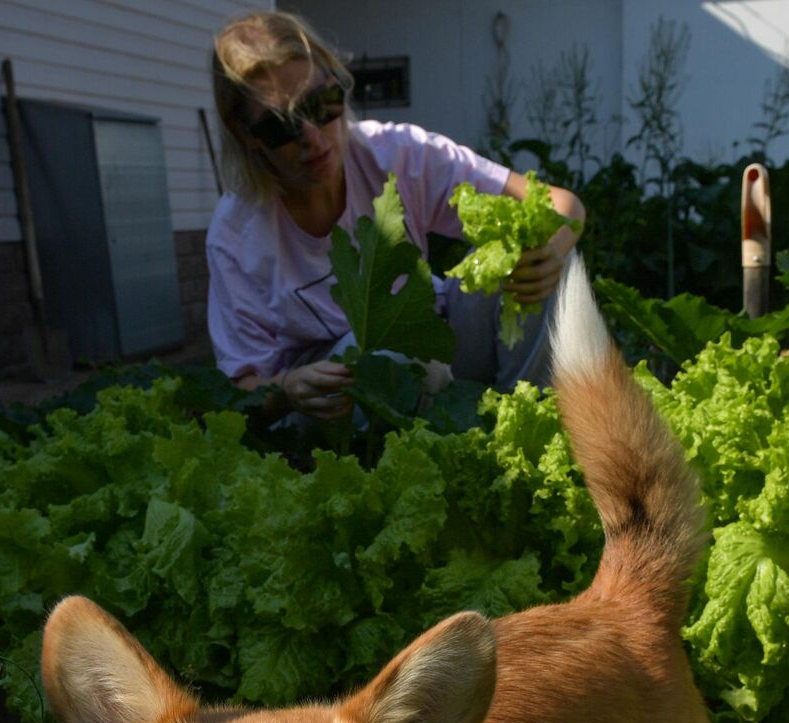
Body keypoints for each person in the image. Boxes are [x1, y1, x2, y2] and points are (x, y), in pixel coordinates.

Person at [206, 11, 586, 422]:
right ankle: (429, 465)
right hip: (334, 402)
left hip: (437, 341)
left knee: (535, 251)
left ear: (339, 84)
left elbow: (562, 205)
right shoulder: (236, 236)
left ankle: (528, 429)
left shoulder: (397, 154)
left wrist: (552, 250)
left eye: (322, 104)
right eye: (280, 126)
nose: (312, 138)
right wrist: (287, 389)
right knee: (396, 360)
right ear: (245, 134)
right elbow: (239, 390)